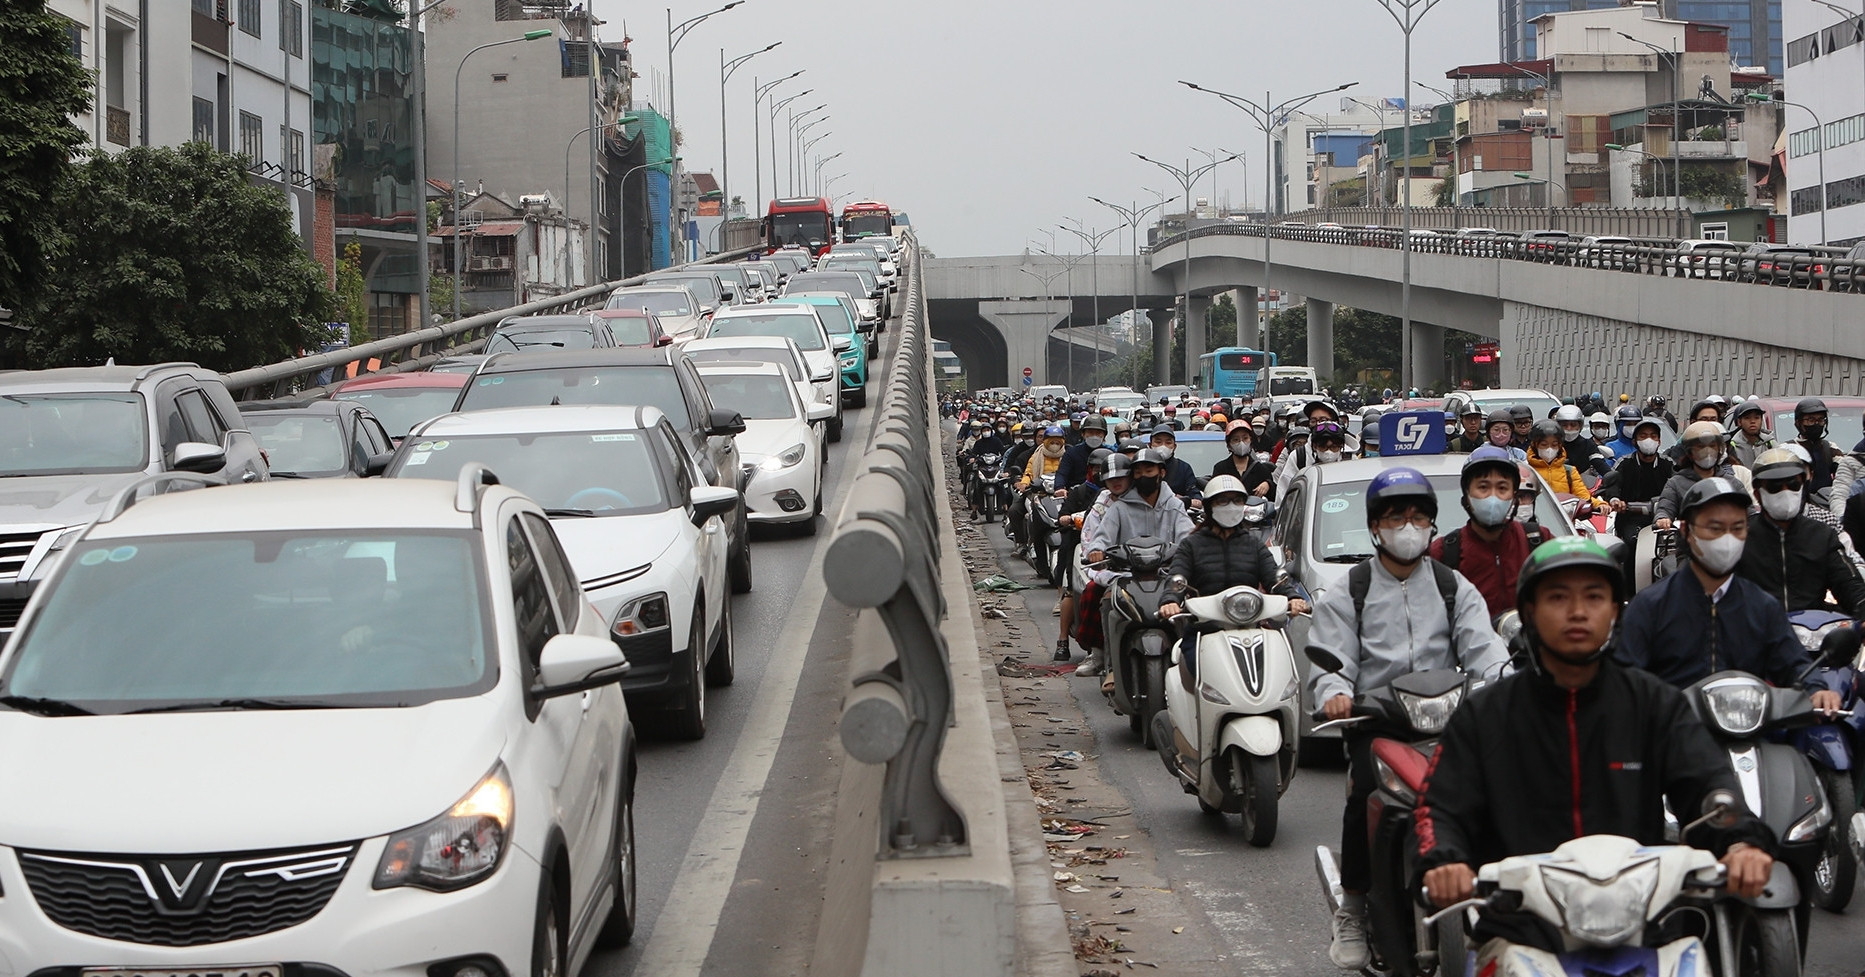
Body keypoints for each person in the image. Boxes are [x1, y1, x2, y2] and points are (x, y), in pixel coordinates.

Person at [1412, 537, 1777, 964]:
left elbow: (1709, 786)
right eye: (1558, 597)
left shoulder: (1654, 703)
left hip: (1646, 928)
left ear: (1615, 609)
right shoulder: (1485, 715)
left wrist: (1741, 844)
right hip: (1522, 932)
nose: (1578, 611)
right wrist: (1445, 863)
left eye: (1594, 596)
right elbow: (1438, 809)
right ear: (1529, 611)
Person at [1308, 467, 1510, 970]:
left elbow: (1484, 648)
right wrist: (1335, 693)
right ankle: (1353, 907)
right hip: (1377, 723)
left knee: (1497, 793)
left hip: (1450, 722)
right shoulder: (1347, 590)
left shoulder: (1452, 586)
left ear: (1432, 525)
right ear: (1375, 528)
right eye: (1396, 517)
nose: (1408, 526)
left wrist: (1504, 683)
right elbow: (1332, 659)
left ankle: (1497, 892)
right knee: (1361, 799)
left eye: (1418, 517)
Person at [1616, 477, 1844, 711]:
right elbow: (1625, 680)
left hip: (1749, 727)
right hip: (1672, 734)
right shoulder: (1650, 605)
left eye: (1737, 528)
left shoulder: (1762, 605)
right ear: (1686, 531)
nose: (1727, 539)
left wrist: (1817, 689)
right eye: (1715, 528)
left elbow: (1793, 663)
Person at [1157, 475, 1310, 629]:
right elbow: (1176, 579)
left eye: (1237, 501)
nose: (1231, 507)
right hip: (1204, 629)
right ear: (1210, 507)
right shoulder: (1190, 545)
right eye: (1223, 501)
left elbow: (1274, 578)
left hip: (1250, 624)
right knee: (1186, 652)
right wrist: (1170, 601)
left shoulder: (1253, 544)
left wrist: (1292, 597)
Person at [1737, 448, 1865, 616]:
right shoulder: (1739, 537)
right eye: (1775, 487)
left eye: (1793, 485)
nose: (1785, 492)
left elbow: (1848, 582)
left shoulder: (1822, 535)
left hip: (1813, 631)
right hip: (1754, 631)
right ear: (1757, 494)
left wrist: (1862, 609)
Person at [1428, 447, 1537, 616]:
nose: (1492, 498)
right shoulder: (1443, 553)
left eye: (1502, 488)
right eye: (1483, 487)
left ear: (1514, 496)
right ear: (1466, 495)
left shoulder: (1538, 541)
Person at [1054, 448, 1114, 661]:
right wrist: (1069, 519)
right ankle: (1063, 640)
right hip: (1082, 548)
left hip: (1116, 554)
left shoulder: (1122, 496)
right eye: (1096, 468)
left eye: (1104, 469)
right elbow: (1064, 516)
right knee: (1073, 591)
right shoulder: (1081, 492)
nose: (1100, 473)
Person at [1597, 416, 1674, 572]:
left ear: (1659, 441)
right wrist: (1615, 500)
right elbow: (1613, 482)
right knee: (1633, 544)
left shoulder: (1668, 464)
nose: (1649, 440)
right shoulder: (1625, 463)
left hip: (1665, 518)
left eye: (1653, 436)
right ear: (1634, 441)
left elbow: (1678, 486)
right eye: (1643, 436)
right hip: (1631, 518)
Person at [1653, 421, 1746, 530]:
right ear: (1689, 452)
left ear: (1719, 450)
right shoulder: (1675, 483)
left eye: (1712, 446)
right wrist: (1663, 518)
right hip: (1689, 542)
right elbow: (1665, 508)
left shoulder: (1732, 483)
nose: (1707, 451)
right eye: (1701, 447)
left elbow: (1749, 512)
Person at [1525, 419, 1595, 505]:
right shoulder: (1525, 471)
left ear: (1560, 445)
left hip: (1565, 515)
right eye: (1544, 444)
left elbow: (1584, 497)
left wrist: (1600, 505)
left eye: (1554, 445)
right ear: (1534, 445)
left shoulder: (1569, 471)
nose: (1549, 449)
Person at [1790, 396, 1844, 493]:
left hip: (1827, 502)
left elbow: (1844, 471)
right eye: (1811, 420)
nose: (1816, 424)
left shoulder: (1830, 447)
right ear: (1798, 423)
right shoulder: (1788, 449)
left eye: (1820, 420)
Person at [1210, 420, 1274, 497]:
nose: (1241, 443)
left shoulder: (1261, 469)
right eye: (1236, 440)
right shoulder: (1220, 469)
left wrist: (1268, 484)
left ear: (1251, 440)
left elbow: (1273, 499)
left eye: (1245, 438)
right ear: (1229, 445)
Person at [1553, 404, 1611, 476]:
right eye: (1564, 425)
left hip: (1583, 485)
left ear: (1580, 426)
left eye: (1573, 425)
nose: (1569, 428)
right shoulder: (1553, 445)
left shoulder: (1588, 445)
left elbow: (1601, 465)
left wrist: (1611, 477)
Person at [1054, 414, 1108, 490]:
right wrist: (1059, 488)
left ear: (1104, 435)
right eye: (1090, 432)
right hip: (1076, 495)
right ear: (1083, 434)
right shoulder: (1072, 453)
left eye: (1098, 433)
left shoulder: (1110, 454)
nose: (1094, 436)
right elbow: (1062, 474)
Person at [1727, 400, 1775, 469]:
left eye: (1756, 418)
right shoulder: (1733, 446)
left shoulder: (1770, 442)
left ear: (1761, 420)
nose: (1752, 421)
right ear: (1739, 422)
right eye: (1747, 418)